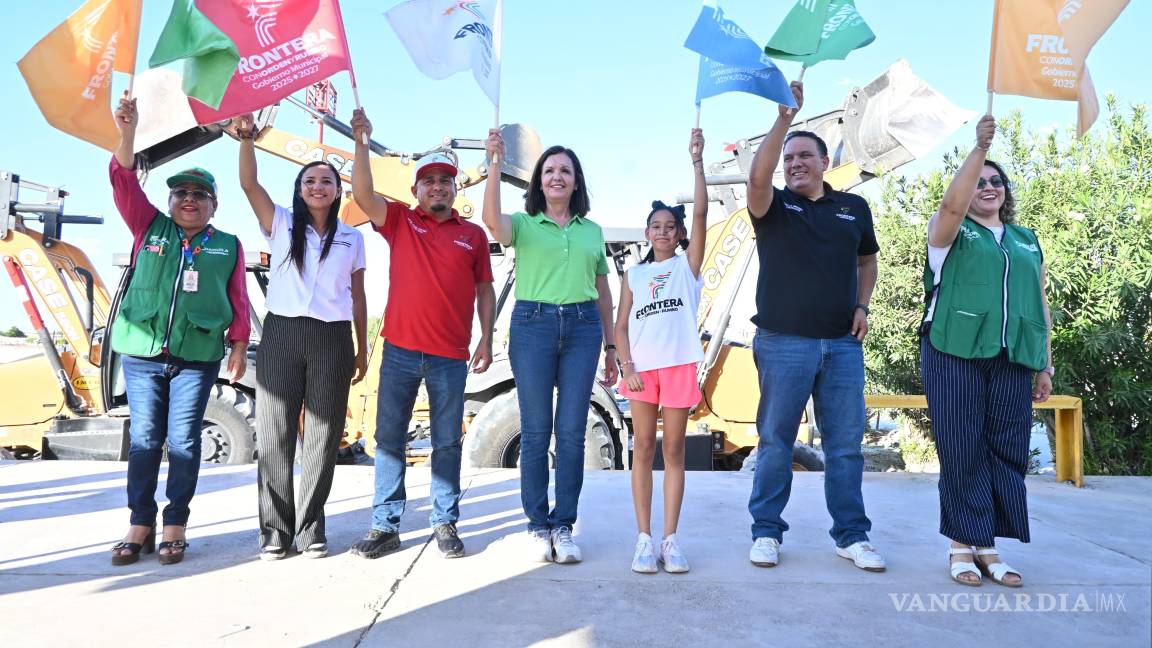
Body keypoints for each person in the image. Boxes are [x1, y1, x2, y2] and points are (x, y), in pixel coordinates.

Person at [743, 82, 886, 572]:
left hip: (843, 346)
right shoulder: (775, 206)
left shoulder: (854, 209)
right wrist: (784, 119)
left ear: (826, 162)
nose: (795, 163)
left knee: (845, 446)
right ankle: (766, 533)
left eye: (805, 155)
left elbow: (867, 262)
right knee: (776, 442)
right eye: (789, 159)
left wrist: (863, 305)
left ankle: (852, 536)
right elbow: (756, 182)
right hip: (784, 342)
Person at [346, 109, 495, 560]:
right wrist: (360, 141)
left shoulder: (473, 235)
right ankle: (384, 526)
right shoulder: (399, 220)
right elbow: (362, 193)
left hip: (451, 356)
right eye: (428, 181)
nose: (437, 186)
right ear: (415, 191)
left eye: (444, 181)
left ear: (455, 188)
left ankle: (444, 523)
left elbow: (484, 290)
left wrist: (487, 338)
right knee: (389, 439)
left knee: (447, 441)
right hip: (401, 352)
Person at [108, 93, 250, 566]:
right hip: (143, 353)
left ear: (213, 204)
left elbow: (238, 300)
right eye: (180, 194)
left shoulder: (227, 245)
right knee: (146, 439)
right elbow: (123, 179)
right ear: (170, 202)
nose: (189, 200)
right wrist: (128, 130)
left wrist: (238, 343)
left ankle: (176, 524)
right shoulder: (149, 228)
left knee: (185, 441)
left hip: (197, 355)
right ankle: (140, 522)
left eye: (199, 195)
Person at [922, 114, 1052, 587]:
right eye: (979, 181)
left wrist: (1045, 363)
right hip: (952, 349)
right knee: (962, 445)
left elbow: (1038, 303)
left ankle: (987, 545)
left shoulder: (1024, 240)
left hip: (1013, 356)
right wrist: (978, 149)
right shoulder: (949, 231)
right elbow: (951, 209)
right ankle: (961, 543)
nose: (988, 186)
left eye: (996, 180)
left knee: (1006, 447)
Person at [235, 114, 368, 560]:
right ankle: (274, 529)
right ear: (300, 187)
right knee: (273, 432)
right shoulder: (280, 224)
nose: (318, 186)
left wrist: (362, 347)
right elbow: (250, 186)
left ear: (337, 190)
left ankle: (311, 526)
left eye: (326, 181)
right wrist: (247, 141)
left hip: (332, 338)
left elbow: (358, 295)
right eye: (310, 180)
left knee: (323, 436)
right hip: (283, 333)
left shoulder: (352, 238)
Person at [483, 130, 619, 564]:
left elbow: (603, 291)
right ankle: (538, 525)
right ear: (538, 183)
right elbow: (491, 221)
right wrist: (492, 165)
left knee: (573, 433)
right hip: (533, 326)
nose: (557, 177)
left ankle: (564, 525)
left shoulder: (591, 232)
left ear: (576, 182)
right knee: (537, 432)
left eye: (565, 171)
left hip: (582, 329)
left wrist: (612, 345)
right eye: (549, 171)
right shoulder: (523, 226)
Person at [614, 129, 708, 574]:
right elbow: (620, 325)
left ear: (678, 232)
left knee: (673, 451)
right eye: (657, 226)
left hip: (677, 369)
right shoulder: (632, 275)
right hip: (640, 374)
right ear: (648, 231)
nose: (664, 232)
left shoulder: (686, 267)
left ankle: (671, 541)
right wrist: (626, 366)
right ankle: (643, 539)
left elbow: (703, 211)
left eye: (671, 226)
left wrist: (697, 161)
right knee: (643, 451)